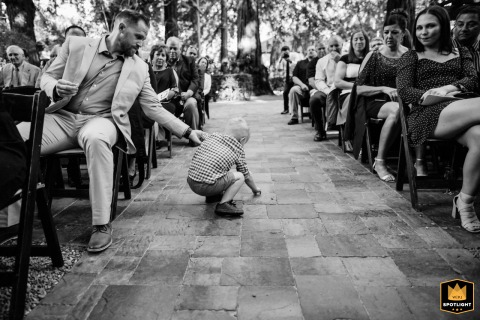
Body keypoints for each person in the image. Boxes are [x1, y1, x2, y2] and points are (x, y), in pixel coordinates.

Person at [16, 10, 202, 253]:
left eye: (143, 38)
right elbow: (46, 76)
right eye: (138, 36)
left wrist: (188, 132)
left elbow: (153, 108)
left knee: (96, 139)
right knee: (15, 136)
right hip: (61, 117)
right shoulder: (76, 45)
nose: (141, 43)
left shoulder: (139, 68)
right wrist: (54, 86)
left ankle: (101, 224)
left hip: (101, 121)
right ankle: (9, 220)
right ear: (121, 28)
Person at [397, 5, 480, 233]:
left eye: (430, 26)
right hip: (427, 114)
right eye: (420, 27)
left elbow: (473, 80)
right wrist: (431, 95)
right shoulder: (411, 56)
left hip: (462, 108)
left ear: (443, 26)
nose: (423, 32)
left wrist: (449, 88)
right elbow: (404, 91)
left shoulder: (461, 52)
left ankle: (465, 202)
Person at [346, 10, 410, 182]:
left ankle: (418, 163)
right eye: (386, 32)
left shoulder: (409, 55)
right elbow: (358, 90)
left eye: (394, 32)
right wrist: (383, 88)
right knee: (396, 110)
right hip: (373, 101)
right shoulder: (373, 55)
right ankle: (379, 161)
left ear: (403, 34)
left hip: (402, 100)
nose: (389, 36)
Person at [187, 117, 261, 216]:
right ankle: (224, 204)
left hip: (191, 181)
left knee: (216, 171)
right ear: (242, 140)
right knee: (240, 176)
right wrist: (255, 189)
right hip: (207, 186)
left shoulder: (213, 136)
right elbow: (246, 175)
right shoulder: (238, 150)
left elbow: (199, 133)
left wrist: (193, 134)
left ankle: (213, 196)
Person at [310, 35, 343, 141]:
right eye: (331, 46)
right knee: (314, 100)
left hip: (343, 88)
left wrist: (340, 61)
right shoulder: (321, 61)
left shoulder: (347, 58)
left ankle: (346, 132)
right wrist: (328, 91)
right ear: (328, 47)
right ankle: (320, 131)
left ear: (342, 45)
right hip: (327, 89)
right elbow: (319, 80)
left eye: (336, 45)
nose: (334, 49)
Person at [335, 29, 369, 130]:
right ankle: (349, 131)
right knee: (355, 99)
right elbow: (337, 82)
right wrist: (356, 87)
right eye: (356, 39)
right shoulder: (345, 59)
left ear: (366, 41)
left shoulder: (372, 57)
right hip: (348, 91)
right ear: (351, 42)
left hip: (368, 90)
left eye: (361, 39)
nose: (358, 41)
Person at [166, 36, 201, 133]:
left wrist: (188, 93)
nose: (172, 50)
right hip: (169, 99)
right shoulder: (163, 62)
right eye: (170, 48)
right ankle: (161, 138)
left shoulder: (189, 61)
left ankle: (194, 135)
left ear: (180, 49)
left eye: (175, 48)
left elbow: (195, 79)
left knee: (191, 104)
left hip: (186, 96)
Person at [287, 45, 317, 125]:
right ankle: (294, 117)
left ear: (316, 52)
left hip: (315, 87)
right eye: (309, 50)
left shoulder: (319, 62)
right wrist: (302, 85)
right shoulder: (300, 63)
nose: (310, 51)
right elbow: (294, 77)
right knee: (293, 90)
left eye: (313, 49)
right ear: (306, 52)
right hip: (302, 88)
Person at [453, 6, 480, 75]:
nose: (464, 29)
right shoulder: (441, 49)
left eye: (471, 25)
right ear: (455, 26)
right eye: (460, 24)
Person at [276, 46, 295, 114]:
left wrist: (289, 60)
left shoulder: (294, 56)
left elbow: (296, 65)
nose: (285, 52)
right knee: (285, 93)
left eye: (286, 50)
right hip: (288, 79)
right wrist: (281, 58)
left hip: (295, 78)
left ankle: (293, 109)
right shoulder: (282, 59)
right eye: (284, 51)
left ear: (289, 51)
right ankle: (286, 109)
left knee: (294, 93)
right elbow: (278, 69)